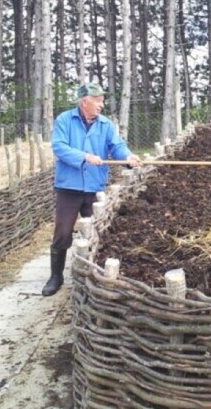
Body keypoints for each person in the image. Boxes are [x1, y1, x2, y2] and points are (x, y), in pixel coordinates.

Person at [42, 83, 141, 296]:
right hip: (69, 187)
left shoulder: (105, 124)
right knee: (63, 232)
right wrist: (85, 157)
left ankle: (91, 277)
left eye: (102, 100)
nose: (101, 105)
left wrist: (128, 157)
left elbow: (117, 146)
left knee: (97, 232)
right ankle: (56, 276)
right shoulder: (65, 120)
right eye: (98, 100)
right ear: (84, 101)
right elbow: (59, 147)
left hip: (95, 186)